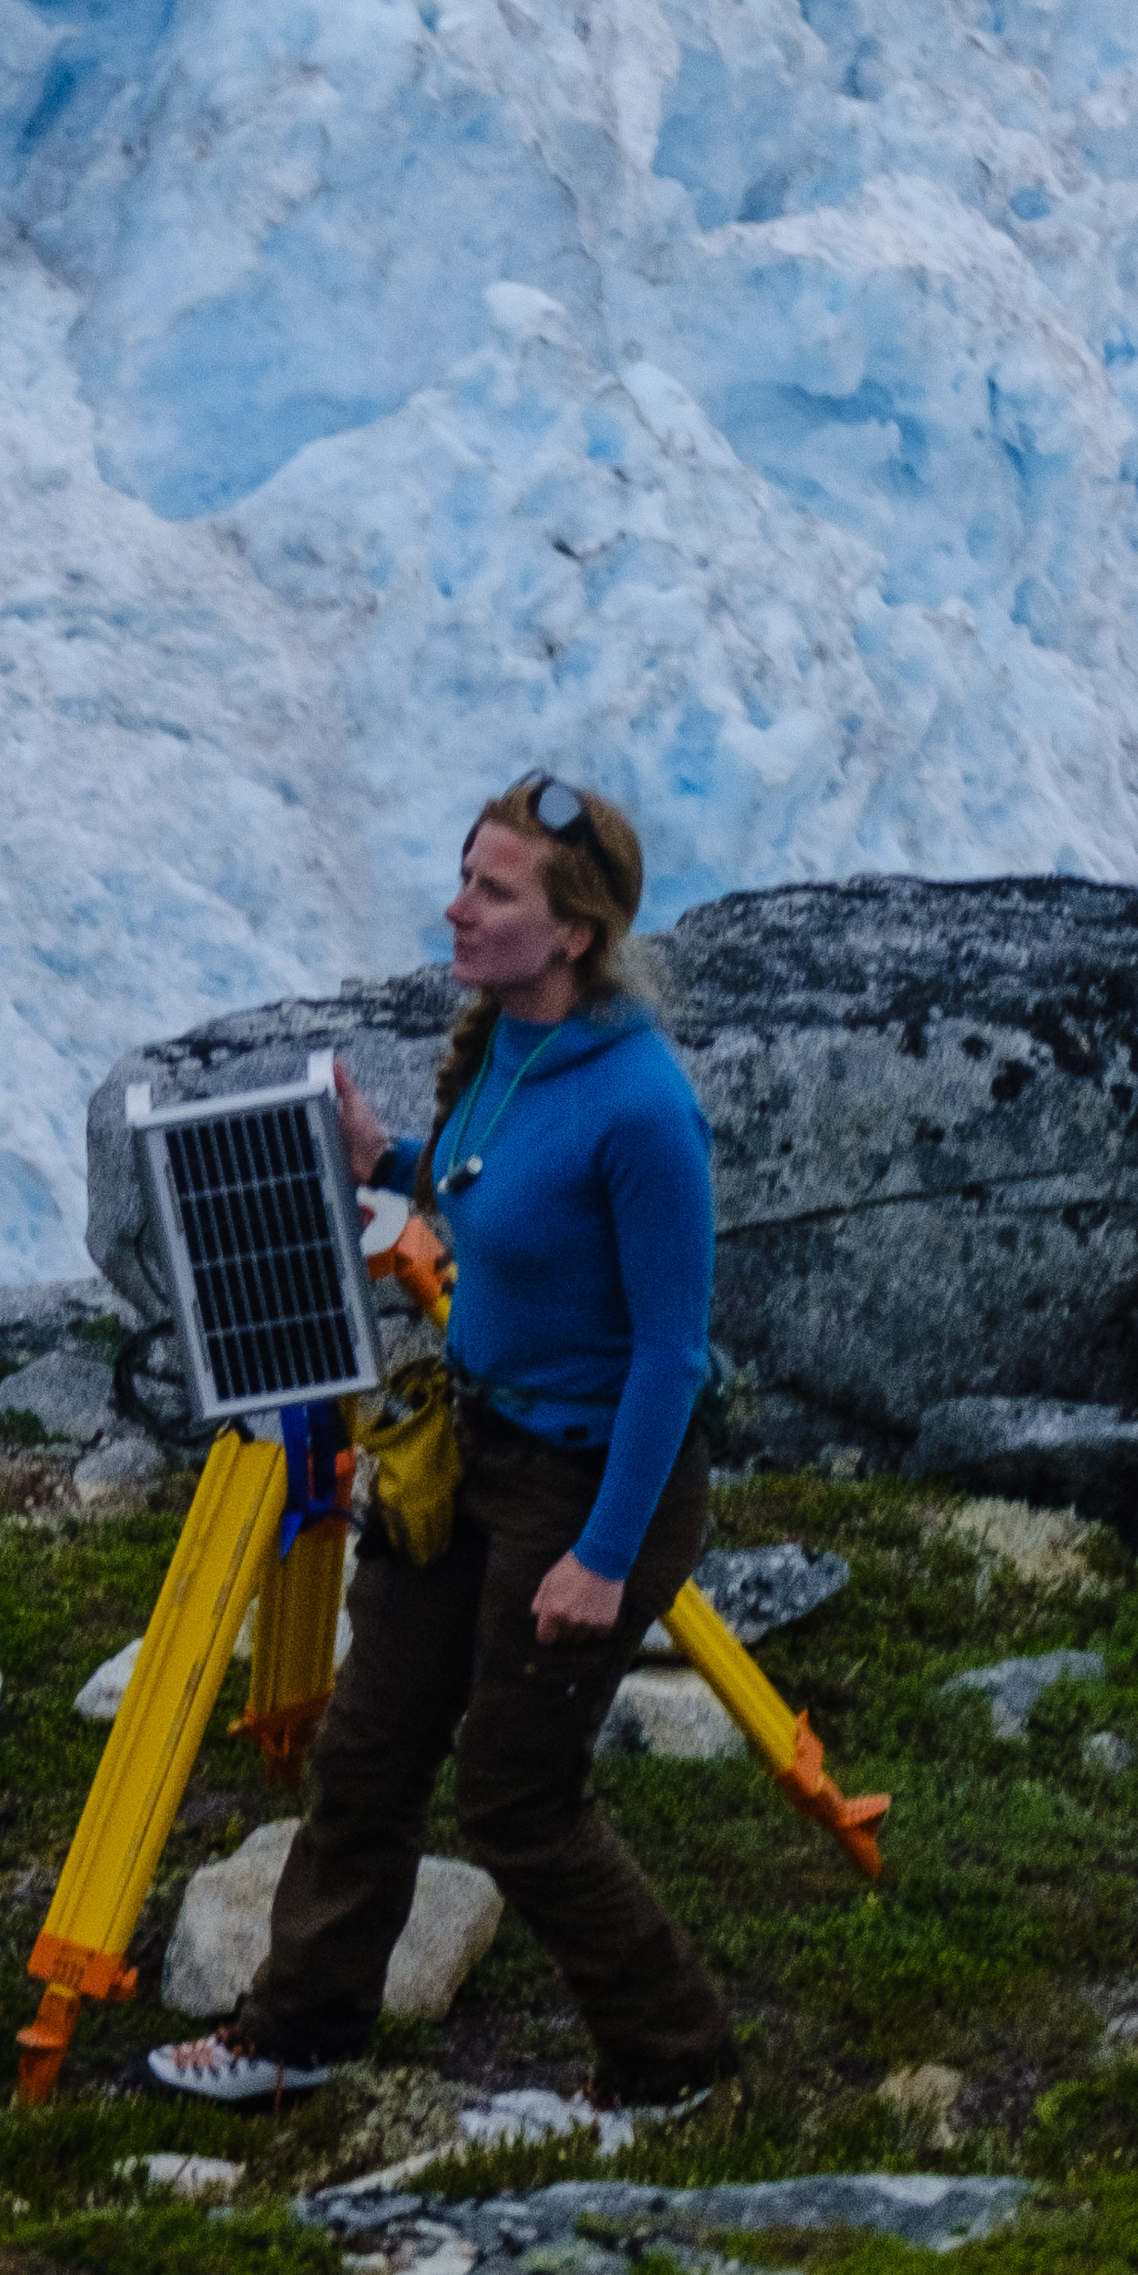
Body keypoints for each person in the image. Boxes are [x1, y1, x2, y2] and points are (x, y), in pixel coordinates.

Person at [152, 774, 739, 2123]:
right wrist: (391, 1154)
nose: (457, 907)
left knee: (519, 1799)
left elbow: (671, 1356)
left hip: (594, 1485)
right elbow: (495, 1187)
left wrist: (599, 1561)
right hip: (473, 1452)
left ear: (572, 932)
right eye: (465, 876)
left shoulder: (645, 1109)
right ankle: (300, 2031)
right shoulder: (501, 1046)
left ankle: (679, 2063)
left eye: (494, 891)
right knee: (367, 1748)